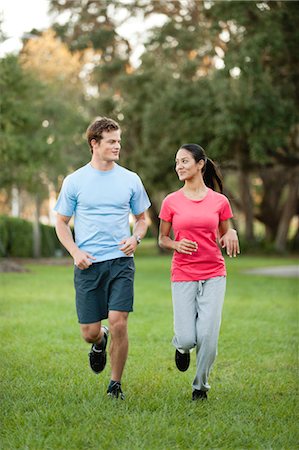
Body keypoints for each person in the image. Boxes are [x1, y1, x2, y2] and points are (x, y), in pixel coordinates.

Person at [54, 117, 151, 400]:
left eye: (119, 141)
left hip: (120, 262)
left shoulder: (130, 179)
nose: (117, 146)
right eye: (111, 141)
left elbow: (143, 219)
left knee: (120, 320)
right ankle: (100, 341)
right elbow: (61, 222)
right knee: (89, 331)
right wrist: (75, 252)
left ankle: (115, 385)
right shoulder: (75, 181)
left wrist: (136, 238)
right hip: (88, 265)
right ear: (94, 144)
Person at [158, 143, 239, 401]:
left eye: (184, 161)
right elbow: (162, 238)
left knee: (208, 336)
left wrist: (232, 233)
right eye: (177, 162)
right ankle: (180, 348)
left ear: (200, 164)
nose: (178, 166)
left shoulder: (219, 201)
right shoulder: (171, 201)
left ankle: (200, 387)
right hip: (182, 273)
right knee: (186, 338)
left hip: (214, 273)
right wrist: (175, 244)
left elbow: (226, 231)